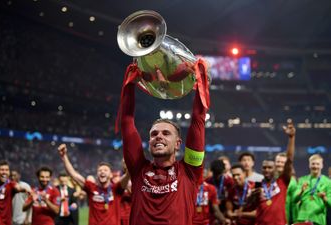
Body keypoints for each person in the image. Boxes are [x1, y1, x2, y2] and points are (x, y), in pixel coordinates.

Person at [120, 60, 209, 224]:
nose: (158, 136)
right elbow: (126, 121)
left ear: (177, 143)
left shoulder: (190, 171)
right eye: (154, 134)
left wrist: (201, 79)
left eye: (166, 133)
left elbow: (198, 120)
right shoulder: (138, 168)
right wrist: (130, 85)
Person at [57, 143, 130, 225]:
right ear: (97, 175)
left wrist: (129, 163)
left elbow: (127, 176)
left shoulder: (116, 189)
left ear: (110, 175)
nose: (102, 172)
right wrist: (64, 157)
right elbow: (73, 174)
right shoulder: (91, 187)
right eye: (100, 170)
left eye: (105, 170)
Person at [254, 122, 296, 225]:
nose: (267, 170)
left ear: (275, 169)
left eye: (270, 167)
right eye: (264, 168)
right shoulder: (257, 185)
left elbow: (289, 160)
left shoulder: (282, 182)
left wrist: (291, 138)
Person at [293, 154, 331, 225]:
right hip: (302, 218)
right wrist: (301, 191)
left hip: (318, 219)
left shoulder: (328, 182)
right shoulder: (302, 180)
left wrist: (324, 198)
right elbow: (294, 199)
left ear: (322, 165)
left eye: (317, 164)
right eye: (313, 164)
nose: (315, 166)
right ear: (309, 165)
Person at [0, 160, 30, 225]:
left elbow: (18, 187)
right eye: (2, 170)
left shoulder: (11, 184)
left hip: (5, 223)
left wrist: (23, 189)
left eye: (7, 170)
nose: (4, 172)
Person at [205, 159, 234, 224]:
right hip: (212, 212)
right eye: (216, 173)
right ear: (212, 171)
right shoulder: (207, 182)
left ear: (224, 171)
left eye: (219, 173)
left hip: (226, 211)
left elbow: (231, 199)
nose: (218, 176)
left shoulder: (229, 182)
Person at [275, 152, 298, 224]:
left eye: (282, 162)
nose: (280, 164)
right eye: (278, 162)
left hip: (284, 220)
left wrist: (295, 222)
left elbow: (294, 204)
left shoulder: (292, 182)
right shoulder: (269, 179)